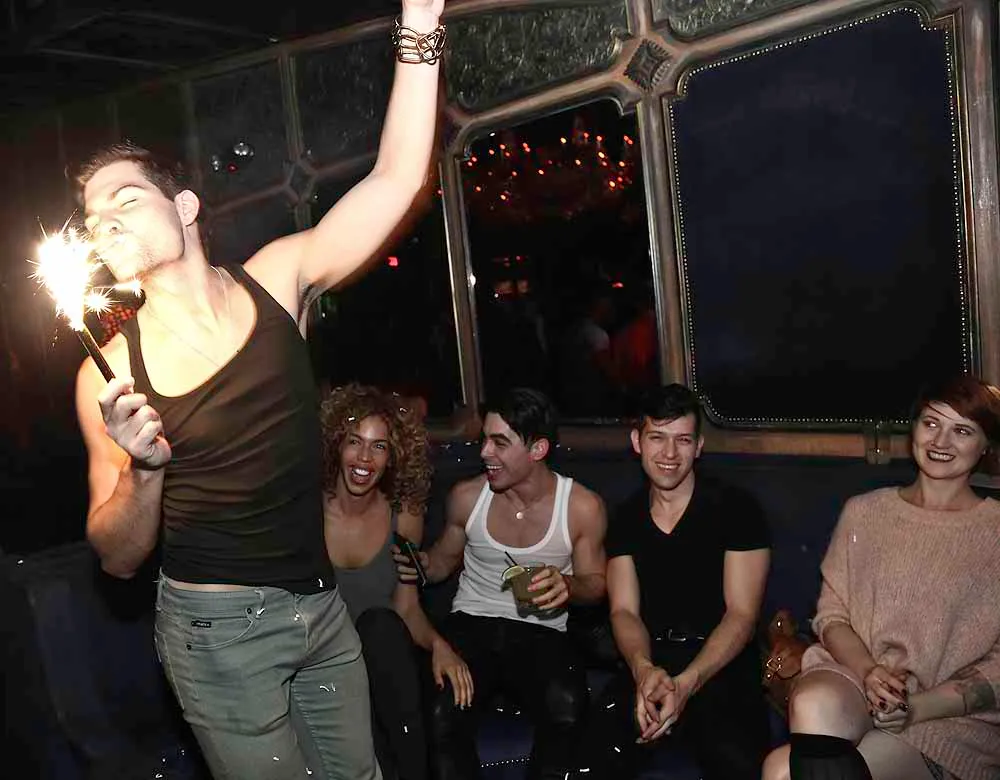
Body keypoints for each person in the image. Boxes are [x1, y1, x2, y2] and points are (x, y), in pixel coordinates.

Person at [72, 2, 445, 777]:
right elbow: (116, 557)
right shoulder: (109, 373)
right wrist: (145, 471)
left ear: (185, 207)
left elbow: (397, 178)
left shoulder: (276, 278)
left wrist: (421, 19)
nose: (104, 223)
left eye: (124, 200)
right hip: (217, 633)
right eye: (93, 218)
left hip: (321, 604)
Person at [763, 375, 1000, 780]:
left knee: (780, 771)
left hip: (944, 716)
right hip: (855, 676)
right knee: (813, 704)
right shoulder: (864, 512)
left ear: (985, 446)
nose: (940, 441)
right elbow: (832, 616)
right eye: (931, 423)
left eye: (962, 431)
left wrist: (916, 706)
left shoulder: (993, 529)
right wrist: (870, 671)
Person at [395, 387, 608, 780]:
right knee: (441, 713)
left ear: (538, 449)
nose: (484, 453)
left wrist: (569, 586)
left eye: (500, 443)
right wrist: (422, 564)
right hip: (472, 622)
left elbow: (596, 584)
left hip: (542, 631)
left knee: (566, 707)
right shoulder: (467, 497)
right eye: (484, 440)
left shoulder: (581, 507)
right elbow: (443, 561)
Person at [573, 383, 771, 779]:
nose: (669, 454)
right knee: (587, 763)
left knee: (735, 762)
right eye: (657, 438)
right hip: (651, 660)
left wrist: (687, 683)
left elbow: (741, 615)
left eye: (682, 440)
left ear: (698, 447)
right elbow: (624, 612)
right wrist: (643, 670)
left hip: (720, 665)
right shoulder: (626, 518)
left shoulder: (737, 509)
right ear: (637, 442)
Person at [320, 383, 471, 780]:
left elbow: (407, 608)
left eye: (379, 447)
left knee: (380, 626)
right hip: (326, 663)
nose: (364, 458)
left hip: (384, 663)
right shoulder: (308, 512)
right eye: (355, 442)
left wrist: (439, 645)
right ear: (336, 445)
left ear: (393, 458)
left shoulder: (403, 515)